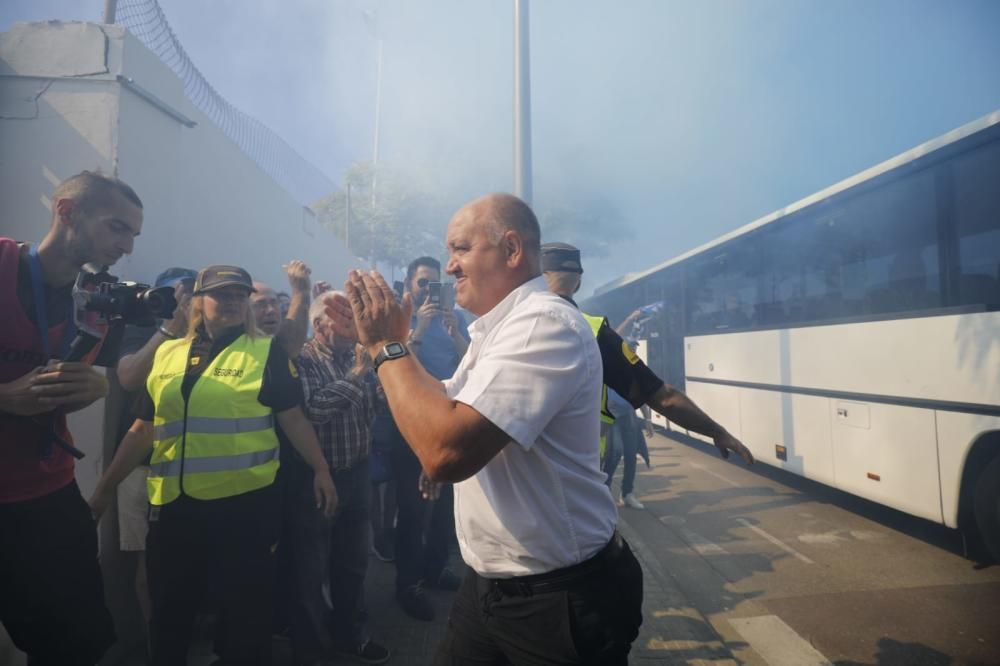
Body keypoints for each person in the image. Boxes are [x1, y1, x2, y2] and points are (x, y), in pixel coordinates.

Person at [342, 193, 643, 664]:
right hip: (493, 587)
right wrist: (400, 342)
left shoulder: (542, 323)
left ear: (511, 249)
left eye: (461, 248)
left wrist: (385, 346)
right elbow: (444, 405)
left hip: (556, 600)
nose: (449, 266)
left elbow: (445, 452)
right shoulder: (497, 329)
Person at [89, 265, 337, 666]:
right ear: (197, 303)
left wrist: (321, 468)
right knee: (170, 613)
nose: (232, 302)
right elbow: (142, 429)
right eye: (221, 294)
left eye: (239, 295)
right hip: (174, 511)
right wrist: (104, 490)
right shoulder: (168, 352)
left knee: (246, 619)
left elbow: (293, 418)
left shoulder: (264, 351)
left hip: (246, 511)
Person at [0, 170, 144, 665]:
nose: (126, 246)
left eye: (133, 235)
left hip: (47, 493)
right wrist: (5, 398)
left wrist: (98, 386)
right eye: (116, 227)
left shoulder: (100, 303)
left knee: (76, 644)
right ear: (67, 212)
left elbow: (93, 380)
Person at [541, 242, 754, 508]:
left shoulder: (500, 329)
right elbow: (664, 397)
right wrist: (716, 431)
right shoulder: (594, 332)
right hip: (577, 486)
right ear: (579, 283)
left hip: (516, 500)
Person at [289, 292, 390, 665]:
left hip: (357, 472)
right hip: (318, 478)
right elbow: (314, 410)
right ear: (320, 325)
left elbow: (375, 409)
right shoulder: (303, 358)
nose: (353, 324)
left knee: (353, 562)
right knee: (311, 569)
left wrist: (381, 381)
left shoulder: (356, 355)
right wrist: (359, 374)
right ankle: (312, 648)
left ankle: (351, 635)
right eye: (344, 318)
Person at [114, 265, 197, 644]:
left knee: (189, 564)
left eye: (188, 296)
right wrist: (170, 329)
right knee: (148, 570)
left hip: (190, 468)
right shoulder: (139, 329)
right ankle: (155, 646)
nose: (178, 304)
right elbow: (129, 377)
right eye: (171, 295)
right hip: (140, 468)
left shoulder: (208, 339)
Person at [382, 256, 469, 621]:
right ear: (408, 284)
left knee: (446, 506)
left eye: (437, 284)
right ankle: (409, 584)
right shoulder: (399, 320)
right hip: (410, 428)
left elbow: (471, 365)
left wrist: (455, 334)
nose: (429, 291)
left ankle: (436, 569)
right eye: (423, 284)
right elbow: (398, 369)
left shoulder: (457, 319)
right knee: (413, 509)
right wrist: (420, 329)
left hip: (448, 422)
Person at [250, 260, 312, 358]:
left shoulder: (303, 354)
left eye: (274, 302)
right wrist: (300, 292)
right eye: (260, 304)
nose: (271, 310)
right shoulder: (241, 348)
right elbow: (288, 345)